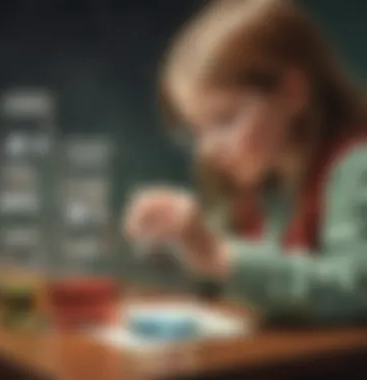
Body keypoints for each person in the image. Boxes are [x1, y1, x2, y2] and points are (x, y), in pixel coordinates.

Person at [125, 0, 367, 324]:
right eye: (196, 130)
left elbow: (355, 288)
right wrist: (181, 243)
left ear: (293, 93)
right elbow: (220, 280)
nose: (206, 149)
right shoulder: (262, 177)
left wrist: (216, 255)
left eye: (225, 120)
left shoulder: (356, 167)